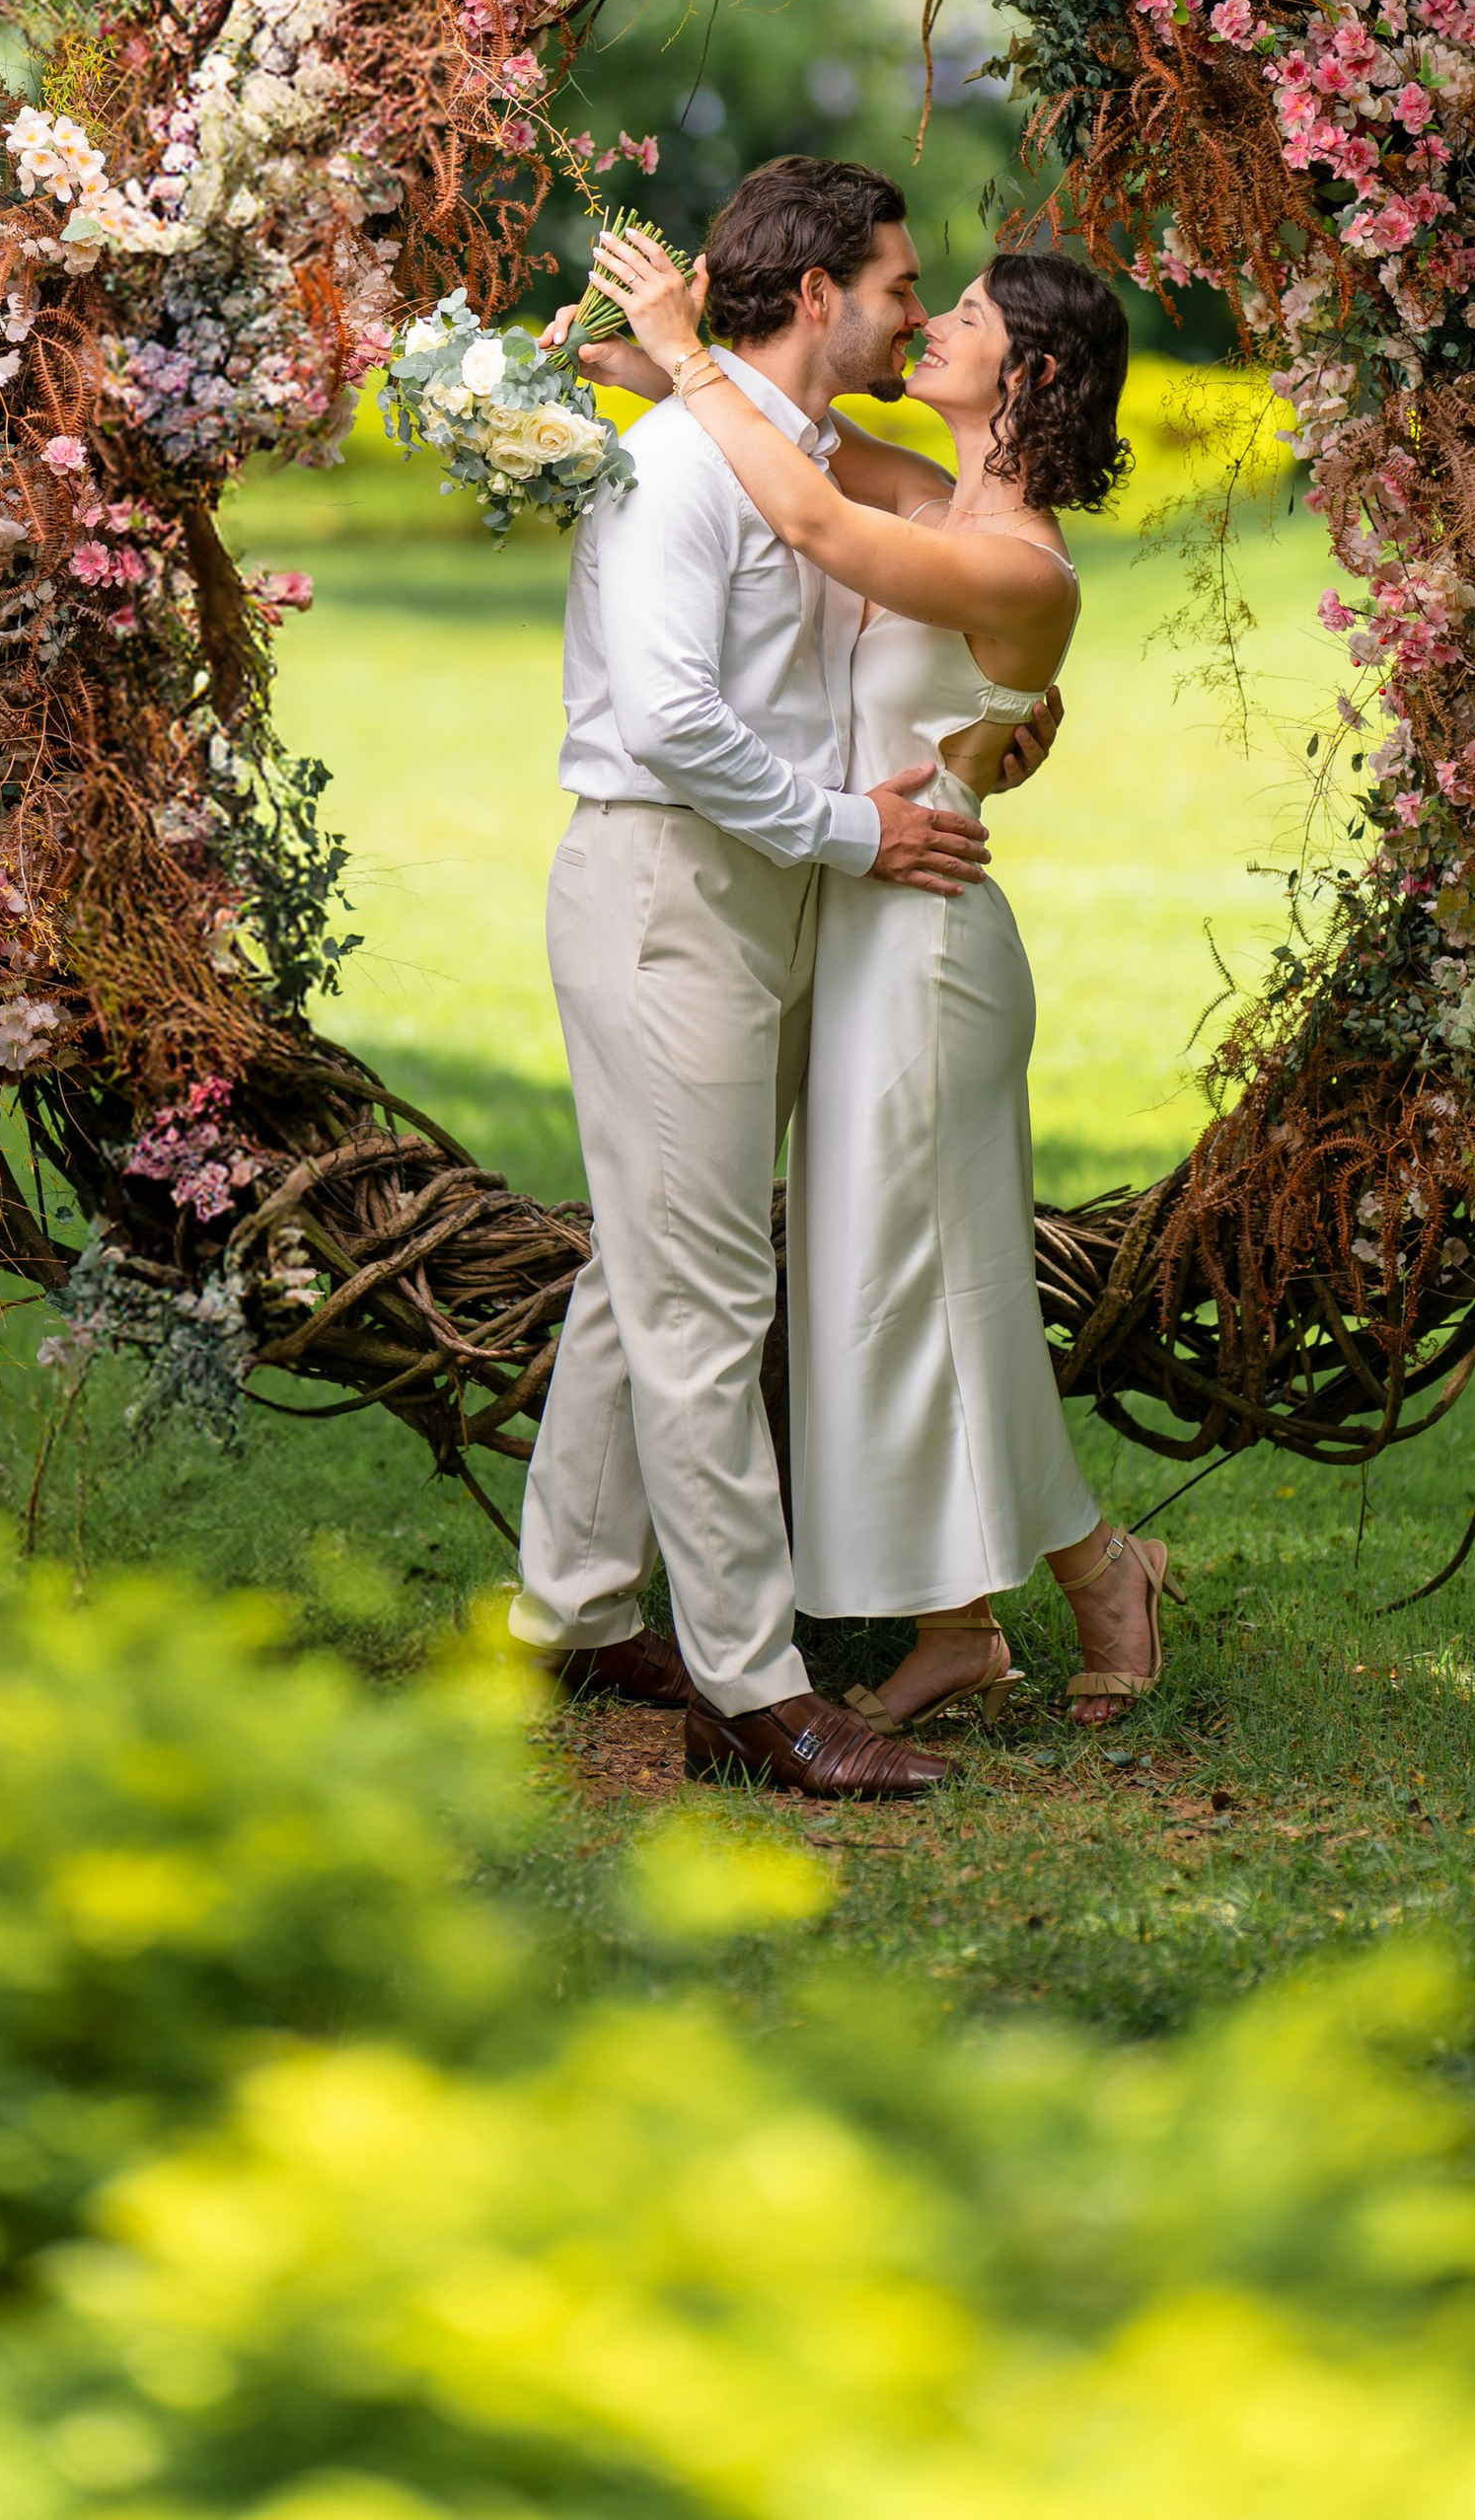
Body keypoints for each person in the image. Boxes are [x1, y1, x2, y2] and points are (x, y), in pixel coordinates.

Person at [507, 157, 1055, 1803]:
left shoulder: (801, 450)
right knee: (705, 1297)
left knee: (653, 1267)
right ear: (817, 294)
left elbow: (942, 594)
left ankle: (576, 1607)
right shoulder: (684, 466)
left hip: (779, 888)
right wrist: (847, 831)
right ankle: (750, 1689)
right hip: (674, 887)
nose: (913, 307)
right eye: (900, 283)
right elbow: (673, 723)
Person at [580, 220, 1171, 1737]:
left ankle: (1101, 1572)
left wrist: (686, 351)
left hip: (928, 942)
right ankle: (959, 1624)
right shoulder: (932, 485)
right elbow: (731, 430)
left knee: (936, 1282)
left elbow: (820, 532)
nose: (929, 325)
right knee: (872, 1279)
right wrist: (638, 348)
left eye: (957, 312)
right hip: (854, 908)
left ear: (1021, 372)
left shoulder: (1016, 561)